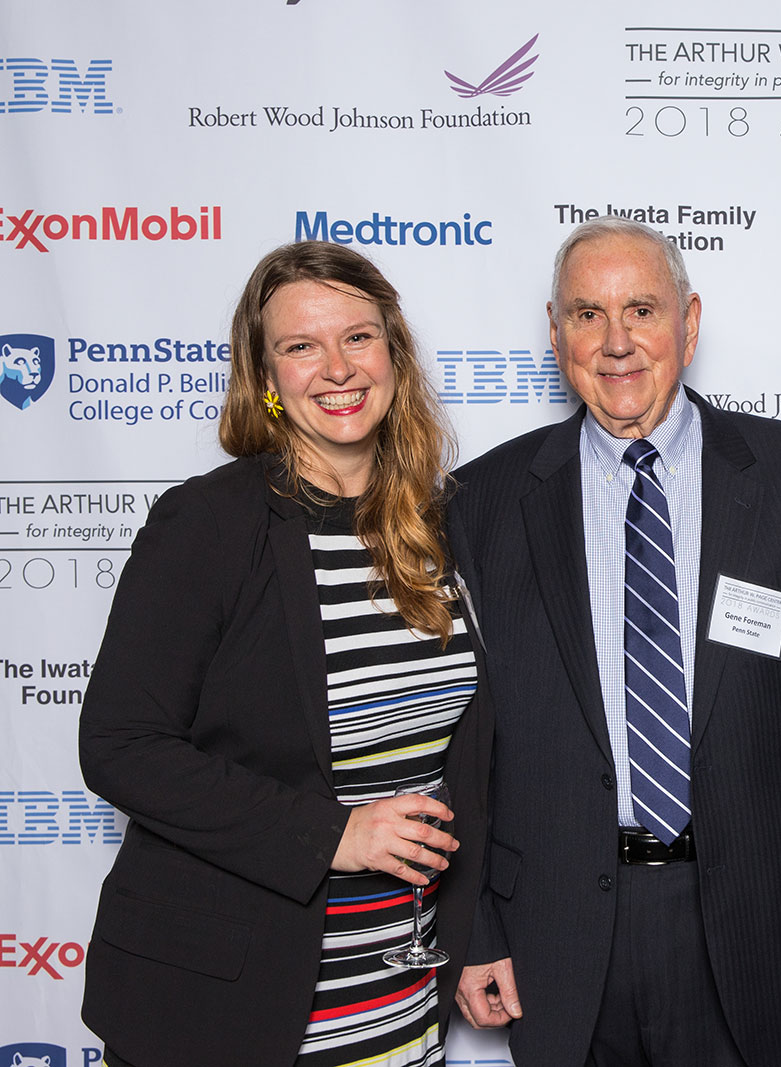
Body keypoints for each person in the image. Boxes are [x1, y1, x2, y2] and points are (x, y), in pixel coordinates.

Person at [448, 217, 781, 1066]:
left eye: (641, 308)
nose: (616, 343)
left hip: (756, 915)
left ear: (690, 319)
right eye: (586, 314)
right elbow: (467, 735)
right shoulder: (481, 498)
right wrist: (473, 923)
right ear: (555, 328)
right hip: (558, 927)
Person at [78, 241, 491, 1067]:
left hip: (399, 990)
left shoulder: (446, 523)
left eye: (358, 337)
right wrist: (330, 835)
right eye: (301, 346)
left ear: (394, 355)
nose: (336, 367)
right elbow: (119, 745)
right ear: (264, 374)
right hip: (230, 1003)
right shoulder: (210, 524)